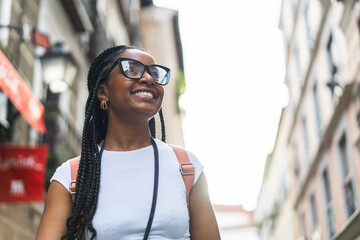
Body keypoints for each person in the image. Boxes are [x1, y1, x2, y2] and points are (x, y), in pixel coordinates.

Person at [36, 45, 220, 240]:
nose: (148, 78)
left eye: (154, 73)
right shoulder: (71, 177)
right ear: (103, 93)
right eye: (131, 69)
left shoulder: (186, 167)